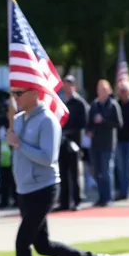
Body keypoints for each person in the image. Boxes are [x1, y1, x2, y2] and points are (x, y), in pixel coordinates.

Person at [0, 86, 110, 256]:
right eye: (14, 94)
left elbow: (47, 157)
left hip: (44, 189)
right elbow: (15, 150)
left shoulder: (48, 121)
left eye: (20, 93)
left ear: (35, 93)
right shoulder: (18, 120)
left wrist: (18, 144)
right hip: (24, 190)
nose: (16, 98)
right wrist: (12, 140)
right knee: (43, 245)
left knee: (22, 244)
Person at [86, 79, 123, 206]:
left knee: (106, 171)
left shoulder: (113, 105)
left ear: (109, 91)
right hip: (95, 143)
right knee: (97, 172)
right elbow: (89, 123)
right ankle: (101, 198)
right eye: (99, 89)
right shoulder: (94, 105)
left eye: (103, 89)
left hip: (107, 143)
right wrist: (89, 131)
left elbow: (118, 123)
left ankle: (108, 198)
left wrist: (103, 121)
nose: (101, 92)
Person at [56, 75, 89, 211]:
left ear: (74, 86)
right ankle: (64, 202)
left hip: (74, 142)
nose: (67, 87)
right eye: (65, 84)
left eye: (70, 84)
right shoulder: (62, 102)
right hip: (62, 141)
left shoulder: (80, 103)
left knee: (75, 174)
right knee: (63, 172)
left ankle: (77, 201)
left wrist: (70, 132)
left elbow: (83, 123)